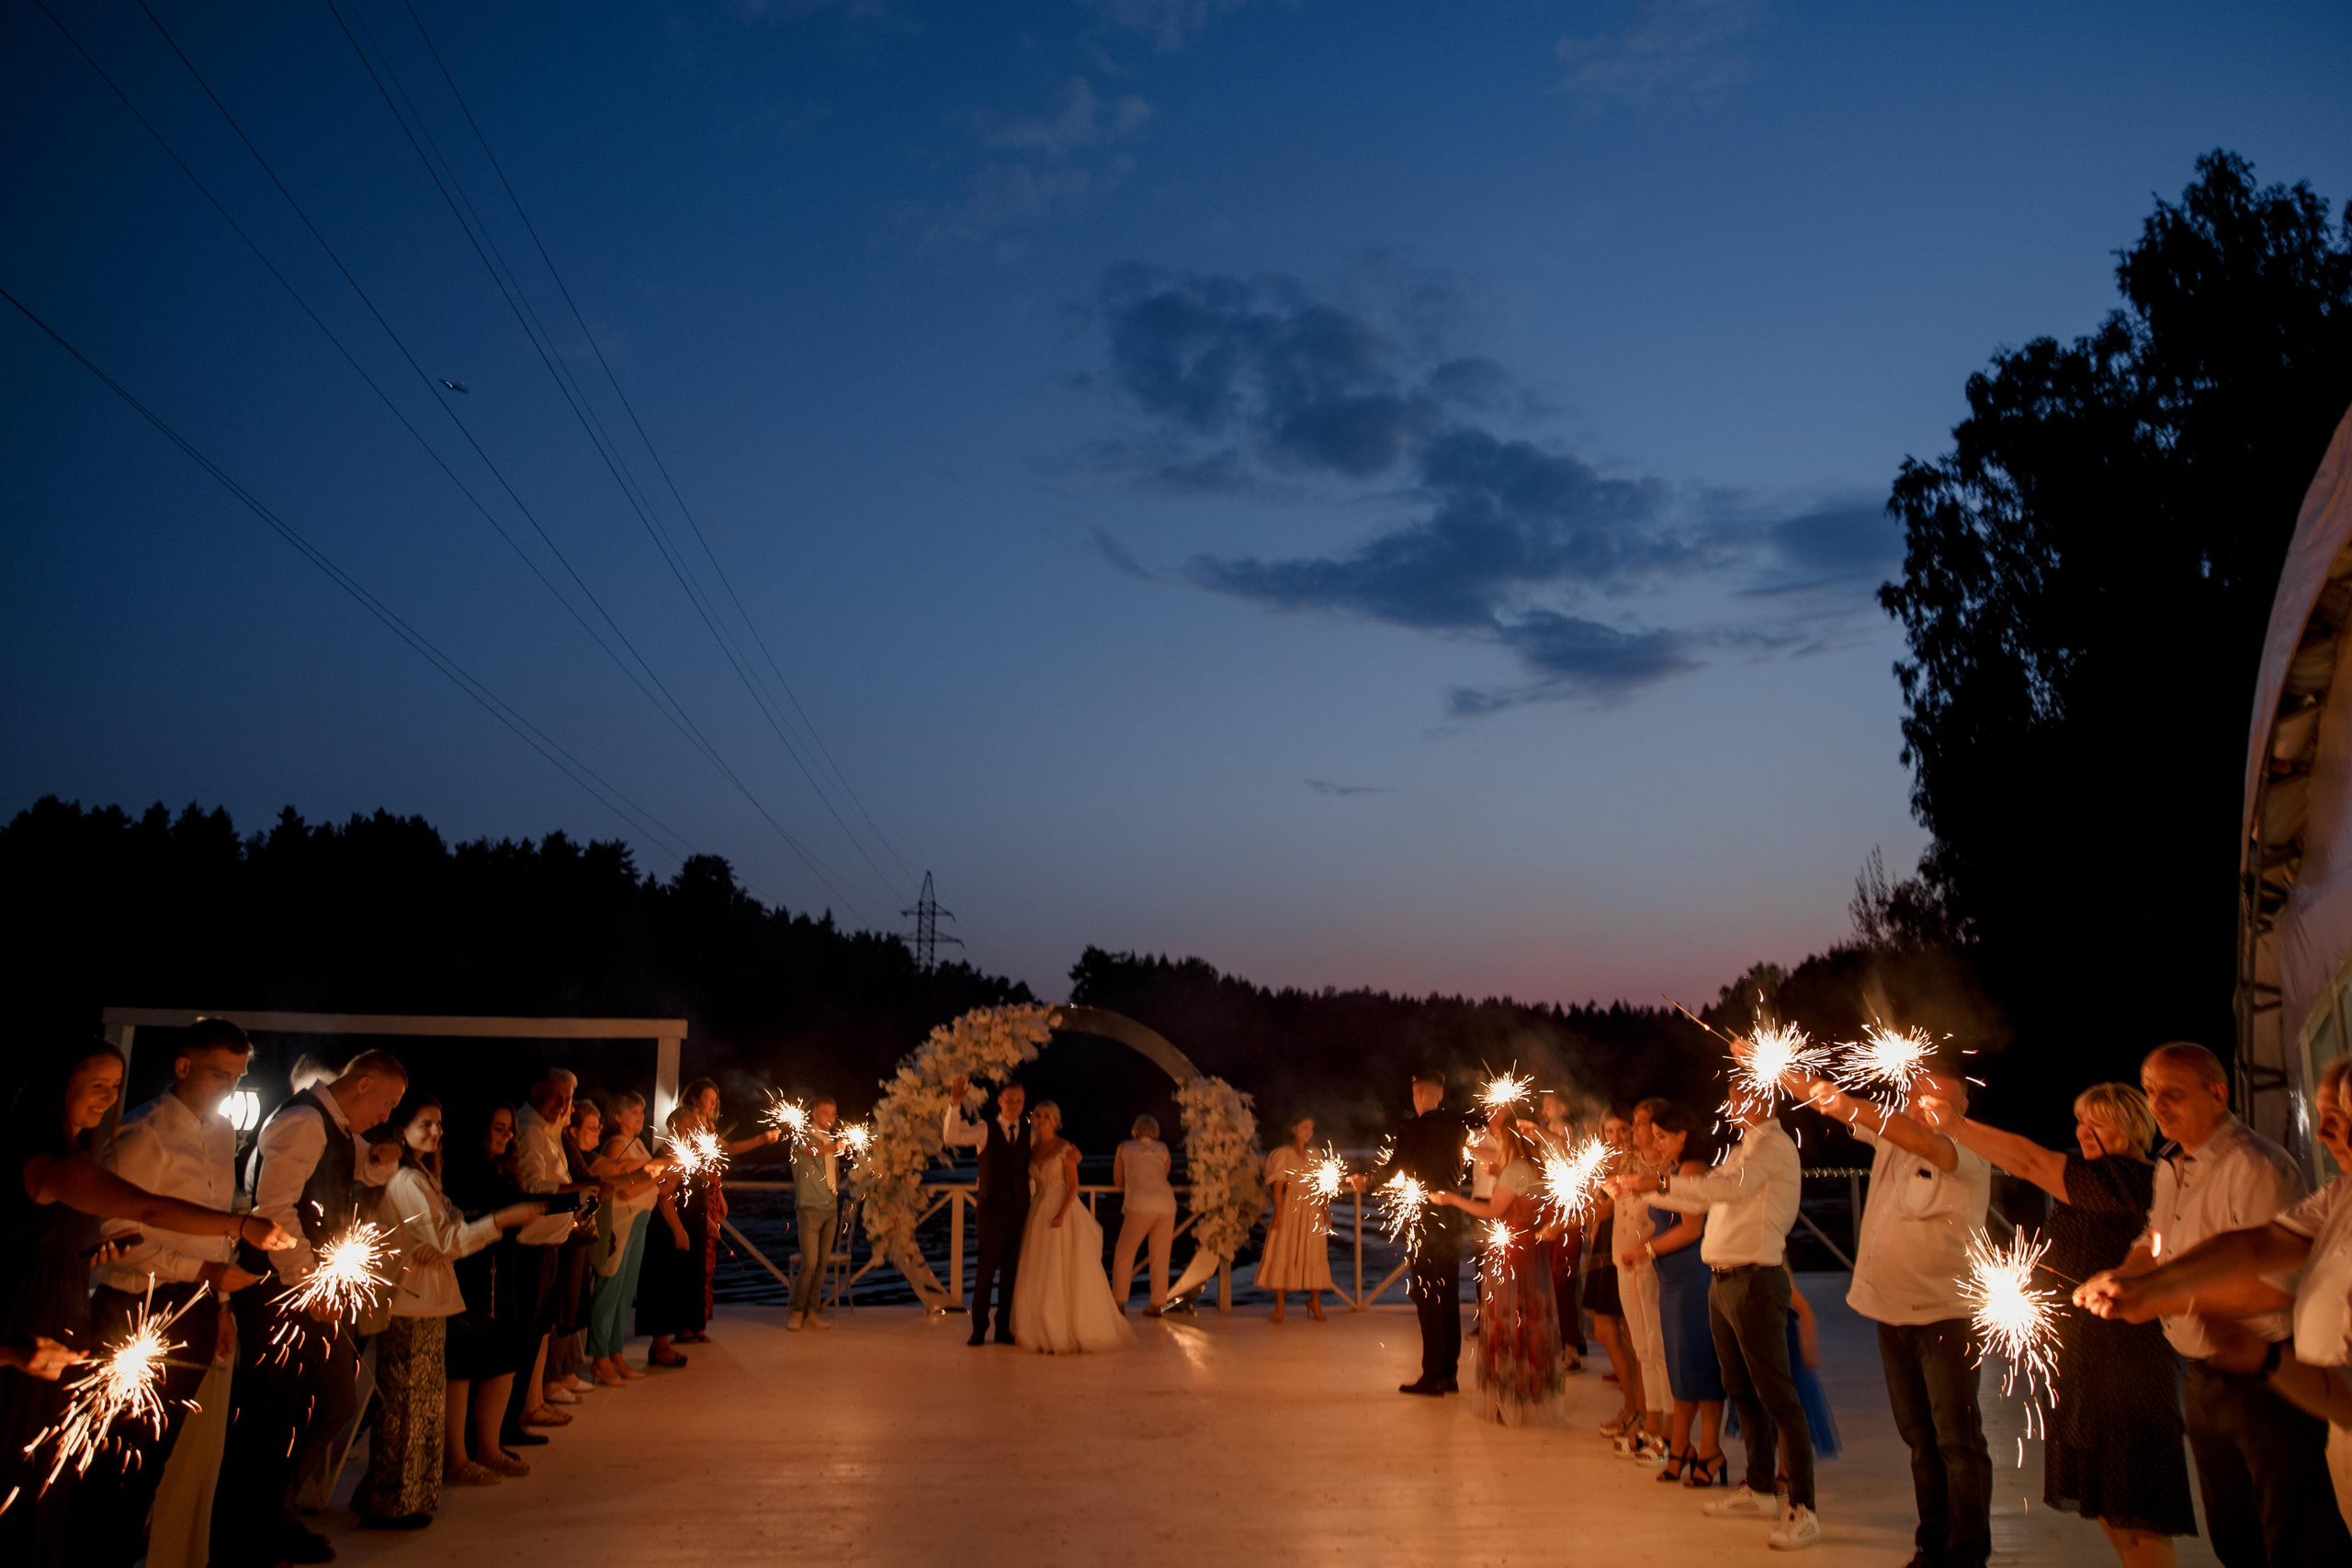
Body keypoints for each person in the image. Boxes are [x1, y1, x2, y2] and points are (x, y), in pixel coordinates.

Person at [3, 1041, 292, 1568]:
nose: (109, 1099)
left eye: (116, 1087)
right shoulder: (51, 1162)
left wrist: (90, 1255)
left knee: (51, 1477)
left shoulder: (76, 1155)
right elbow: (147, 1206)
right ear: (60, 1085)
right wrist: (238, 1224)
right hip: (28, 1322)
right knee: (22, 1478)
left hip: (64, 1317)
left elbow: (52, 1237)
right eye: (97, 1086)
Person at [2072, 1043, 2332, 1568]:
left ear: (2218, 1094)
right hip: (2202, 1371)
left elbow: (2276, 1287)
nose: (2157, 1105)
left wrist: (2161, 1295)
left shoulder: (2256, 1166)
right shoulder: (2170, 1165)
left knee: (2291, 1531)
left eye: (2172, 1093)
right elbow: (2155, 1239)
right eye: (2149, 1092)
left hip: (2267, 1375)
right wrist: (2123, 1276)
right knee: (2233, 1533)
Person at [1917, 1079, 2197, 1565]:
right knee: (2106, 1499)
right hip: (2084, 1362)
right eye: (2081, 1120)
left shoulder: (2132, 1180)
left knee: (2135, 1502)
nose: (2084, 1130)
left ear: (2131, 1126)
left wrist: (1955, 1126)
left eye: (2099, 1120)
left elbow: (2028, 1160)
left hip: (2127, 1366)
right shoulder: (2091, 1181)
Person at [77, 1020, 265, 1568]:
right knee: (120, 1463)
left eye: (237, 1076)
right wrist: (202, 1269)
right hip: (137, 1311)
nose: (229, 1088)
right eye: (218, 1075)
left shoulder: (221, 1132)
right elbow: (113, 1237)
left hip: (196, 1308)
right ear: (182, 1067)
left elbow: (216, 1223)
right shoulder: (145, 1133)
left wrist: (221, 1305)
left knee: (158, 1458)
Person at [214, 1048, 406, 1568]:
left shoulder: (336, 1128)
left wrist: (376, 1165)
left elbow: (348, 1174)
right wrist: (311, 1281)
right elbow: (273, 1209)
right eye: (387, 1102)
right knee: (269, 1417)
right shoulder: (303, 1121)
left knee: (330, 1402)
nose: (387, 1116)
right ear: (362, 1083)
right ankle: (245, 1534)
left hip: (313, 1292)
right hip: (281, 1293)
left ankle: (274, 1511)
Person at [1795, 1063, 1992, 1568]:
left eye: (1938, 1102)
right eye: (1918, 1097)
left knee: (1958, 1442)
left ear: (1962, 1112)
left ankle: (1967, 1555)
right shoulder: (1891, 1142)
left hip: (1946, 1320)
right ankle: (1931, 1546)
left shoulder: (1967, 1154)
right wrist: (1774, 1067)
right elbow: (1825, 1100)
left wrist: (1850, 1105)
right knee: (1920, 1441)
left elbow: (1923, 1141)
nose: (1923, 1107)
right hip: (1890, 1315)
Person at [1619, 1054, 1817, 1552]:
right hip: (1723, 1281)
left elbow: (1728, 1187)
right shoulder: (1744, 1146)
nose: (1729, 1102)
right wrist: (1638, 1192)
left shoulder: (1772, 1145)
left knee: (1776, 1394)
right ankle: (1757, 1487)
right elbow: (1704, 1199)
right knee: (1740, 1389)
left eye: (1736, 1093)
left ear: (1760, 1094)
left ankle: (1803, 1506)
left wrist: (1654, 1183)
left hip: (1755, 1279)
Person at [356, 1098, 544, 1528]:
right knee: (406, 1405)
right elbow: (447, 1242)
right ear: (401, 1128)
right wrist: (501, 1220)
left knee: (421, 1403)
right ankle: (392, 1501)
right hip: (410, 1302)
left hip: (428, 1300)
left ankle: (408, 1494)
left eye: (440, 1124)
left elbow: (443, 1229)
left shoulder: (422, 1177)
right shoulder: (405, 1180)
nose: (437, 1132)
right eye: (426, 1124)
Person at [1431, 1108, 1567, 1425]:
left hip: (1510, 1255)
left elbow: (1494, 1211)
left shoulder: (1514, 1170)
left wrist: (1452, 1199)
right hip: (1532, 1252)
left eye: (1497, 1133)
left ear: (1507, 1137)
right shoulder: (1534, 1166)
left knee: (1509, 1322)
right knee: (1530, 1319)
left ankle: (1509, 1400)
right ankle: (1531, 1397)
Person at [1352, 1070, 1481, 1396]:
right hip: (1451, 1217)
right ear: (1440, 1094)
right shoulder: (1457, 1127)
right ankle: (1449, 1374)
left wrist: (1366, 1182)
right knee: (1449, 1293)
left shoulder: (1411, 1128)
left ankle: (1432, 1375)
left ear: (1419, 1095)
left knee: (1427, 1296)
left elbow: (1394, 1166)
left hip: (1424, 1218)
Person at [445, 1106, 543, 1479]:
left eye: (510, 1130)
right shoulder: (461, 1171)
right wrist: (506, 1216)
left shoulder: (502, 1170)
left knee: (505, 1356)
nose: (506, 1136)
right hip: (468, 1274)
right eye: (498, 1129)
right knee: (464, 1362)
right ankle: (457, 1457)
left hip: (502, 1271)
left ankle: (489, 1446)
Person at [1635, 1100, 1726, 1486]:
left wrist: (1647, 1249)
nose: (1657, 1145)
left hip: (1693, 1278)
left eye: (1662, 1137)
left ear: (1683, 1137)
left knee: (1699, 1364)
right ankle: (1682, 1445)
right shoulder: (1673, 1170)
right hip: (1673, 1282)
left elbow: (1691, 1228)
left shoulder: (1692, 1171)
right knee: (1679, 1364)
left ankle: (1709, 1450)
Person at [1004, 1101, 1132, 1353]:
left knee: (1065, 1271)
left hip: (1062, 1209)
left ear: (1055, 1121)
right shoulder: (1031, 1149)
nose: (1040, 1120)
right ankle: (1041, 1327)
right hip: (1038, 1210)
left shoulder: (1065, 1148)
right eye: (1038, 1115)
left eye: (1046, 1117)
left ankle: (1070, 1330)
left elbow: (1073, 1186)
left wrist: (1061, 1214)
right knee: (1039, 1271)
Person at [943, 1075, 1031, 1347]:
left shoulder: (1030, 1130)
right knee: (986, 1271)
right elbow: (952, 1137)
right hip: (991, 1208)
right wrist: (955, 1105)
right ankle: (979, 1329)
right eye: (1010, 1100)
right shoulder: (985, 1128)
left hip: (1019, 1208)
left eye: (1019, 1101)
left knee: (1010, 1272)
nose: (1014, 1105)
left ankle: (1003, 1329)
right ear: (1000, 1101)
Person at [586, 1092, 662, 1383]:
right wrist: (655, 1176)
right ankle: (599, 1358)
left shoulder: (637, 1143)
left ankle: (615, 1353)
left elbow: (646, 1179)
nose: (641, 1117)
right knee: (610, 1287)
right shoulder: (617, 1144)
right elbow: (627, 1189)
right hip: (622, 1221)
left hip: (638, 1220)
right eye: (634, 1111)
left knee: (625, 1291)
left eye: (642, 1111)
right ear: (617, 1116)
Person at [1613, 1102, 1672, 1461]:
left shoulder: (1667, 1169)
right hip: (1624, 1258)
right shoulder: (1628, 1162)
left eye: (1640, 1123)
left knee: (1657, 1344)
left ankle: (1666, 1428)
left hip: (1652, 1261)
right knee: (1641, 1345)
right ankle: (1651, 1420)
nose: (1634, 1130)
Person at [1585, 1107, 1646, 1439]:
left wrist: (1580, 1214)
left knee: (1631, 1333)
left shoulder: (1634, 1164)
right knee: (1606, 1328)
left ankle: (1640, 1411)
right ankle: (1633, 1406)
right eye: (1609, 1131)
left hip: (1623, 1241)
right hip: (1605, 1242)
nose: (1616, 1138)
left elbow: (1611, 1205)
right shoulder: (1606, 1162)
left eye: (1623, 1130)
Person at [1260, 1114, 1337, 1323]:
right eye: (1304, 1127)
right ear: (1294, 1129)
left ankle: (1314, 1301)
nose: (1309, 1132)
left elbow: (1321, 1185)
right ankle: (1280, 1305)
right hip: (1292, 1204)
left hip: (1311, 1207)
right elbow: (1277, 1185)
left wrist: (1325, 1210)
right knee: (1284, 1249)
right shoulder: (1283, 1153)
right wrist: (1278, 1211)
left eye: (1311, 1128)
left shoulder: (1315, 1154)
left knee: (1314, 1253)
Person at [1539, 1089, 1587, 1370]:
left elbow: (1568, 1154)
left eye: (1548, 1105)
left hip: (1568, 1211)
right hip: (1552, 1208)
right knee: (1553, 1280)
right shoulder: (1550, 1133)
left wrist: (1540, 1133)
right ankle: (1559, 1343)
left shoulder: (1566, 1131)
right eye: (1543, 1106)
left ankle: (1571, 1349)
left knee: (1562, 1280)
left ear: (1563, 1106)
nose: (1544, 1111)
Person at [787, 1097, 843, 1331]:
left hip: (830, 1208)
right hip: (810, 1207)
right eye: (826, 1113)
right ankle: (797, 1311)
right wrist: (834, 1148)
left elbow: (834, 1173)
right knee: (809, 1263)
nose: (830, 1119)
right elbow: (810, 1151)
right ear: (814, 1115)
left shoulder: (829, 1140)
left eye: (833, 1114)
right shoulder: (802, 1136)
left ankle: (812, 1311)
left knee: (822, 1263)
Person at [1110, 1114, 1176, 1315]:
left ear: (1135, 1130)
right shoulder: (1163, 1148)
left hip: (1139, 1203)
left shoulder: (1125, 1147)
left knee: (1124, 1253)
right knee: (1160, 1255)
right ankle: (1157, 1305)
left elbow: (1118, 1180)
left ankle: (1119, 1302)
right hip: (1166, 1202)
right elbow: (1164, 1174)